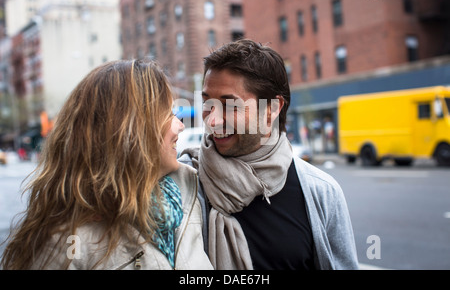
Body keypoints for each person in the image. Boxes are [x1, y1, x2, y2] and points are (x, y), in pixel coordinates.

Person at [0, 59, 213, 270]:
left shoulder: (188, 188)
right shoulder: (64, 245)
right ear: (130, 131)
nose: (180, 126)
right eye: (168, 114)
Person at [180, 39, 359, 270]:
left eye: (229, 105)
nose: (212, 121)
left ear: (272, 109)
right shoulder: (181, 183)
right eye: (207, 103)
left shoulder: (320, 192)